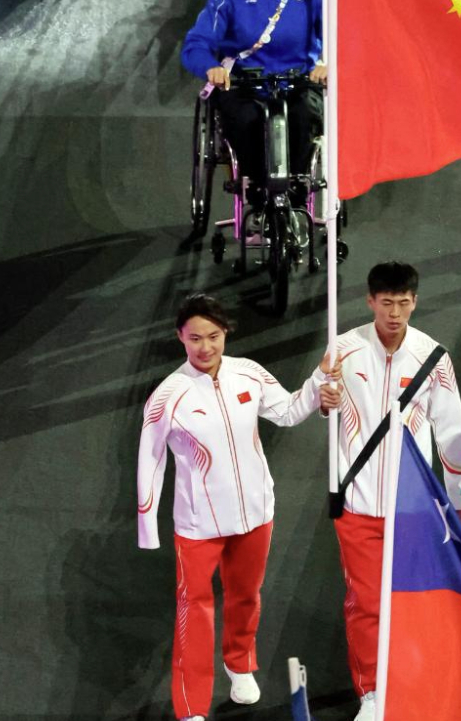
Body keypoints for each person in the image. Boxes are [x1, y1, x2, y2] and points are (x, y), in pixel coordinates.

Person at [137, 294, 340, 721]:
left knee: (246, 596)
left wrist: (318, 384)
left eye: (213, 336)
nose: (205, 347)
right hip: (197, 525)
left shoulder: (249, 374)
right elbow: (149, 461)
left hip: (255, 513)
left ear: (225, 332)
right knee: (196, 610)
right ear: (180, 338)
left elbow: (286, 411)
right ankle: (192, 707)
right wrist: (147, 526)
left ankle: (239, 663)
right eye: (195, 338)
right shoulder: (167, 396)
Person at [330, 262, 461, 721]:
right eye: (386, 303)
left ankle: (409, 684)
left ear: (416, 300)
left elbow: (453, 438)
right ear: (370, 301)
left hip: (412, 510)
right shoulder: (343, 350)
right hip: (358, 505)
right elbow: (316, 401)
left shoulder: (434, 357)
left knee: (413, 602)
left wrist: (458, 508)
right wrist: (321, 395)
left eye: (404, 303)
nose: (395, 313)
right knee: (366, 603)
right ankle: (371, 694)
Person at [181, 0, 326, 207]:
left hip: (296, 83)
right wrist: (210, 67)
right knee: (246, 121)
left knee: (301, 119)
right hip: (245, 86)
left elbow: (343, 36)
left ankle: (297, 197)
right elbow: (196, 43)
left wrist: (329, 65)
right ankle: (257, 192)